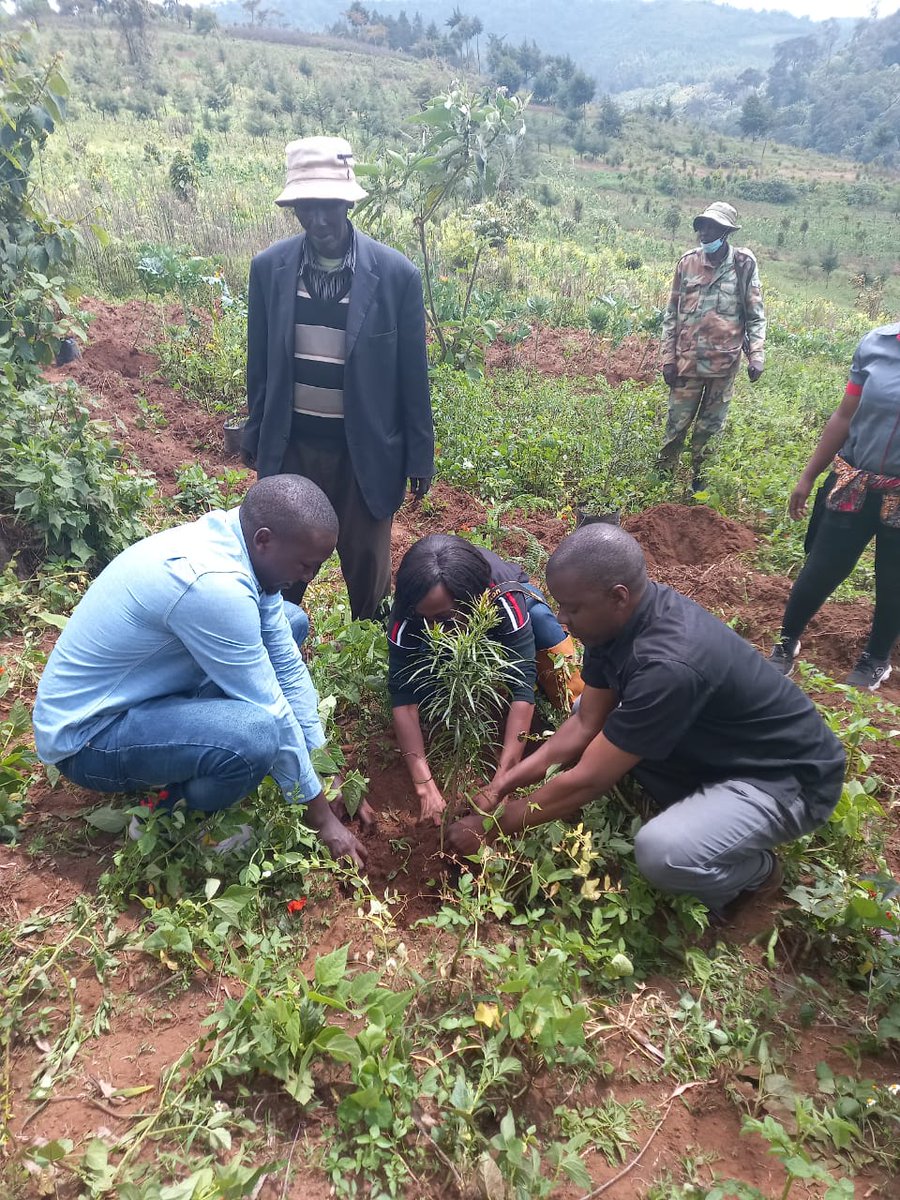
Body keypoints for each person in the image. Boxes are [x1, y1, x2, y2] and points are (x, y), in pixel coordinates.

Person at [446, 524, 845, 919]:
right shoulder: (614, 624)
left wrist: (492, 825)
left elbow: (590, 778)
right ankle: (694, 803)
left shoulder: (668, 664)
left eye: (572, 607)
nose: (563, 619)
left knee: (664, 852)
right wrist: (503, 785)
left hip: (785, 779)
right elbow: (585, 723)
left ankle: (754, 875)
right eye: (560, 605)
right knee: (583, 706)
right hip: (716, 747)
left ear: (618, 596)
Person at [32, 475, 368, 867]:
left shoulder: (238, 540)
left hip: (140, 693)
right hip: (89, 738)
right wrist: (321, 816)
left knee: (290, 621)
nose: (308, 577)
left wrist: (321, 767)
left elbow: (286, 665)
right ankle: (168, 813)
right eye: (305, 565)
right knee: (256, 735)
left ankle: (184, 757)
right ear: (264, 539)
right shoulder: (213, 585)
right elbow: (271, 707)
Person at [242, 135, 434, 622]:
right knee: (280, 567)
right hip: (292, 447)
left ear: (348, 203)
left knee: (368, 568)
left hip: (365, 452)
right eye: (307, 207)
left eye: (328, 206)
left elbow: (413, 378)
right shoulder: (270, 269)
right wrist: (255, 435)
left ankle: (372, 656)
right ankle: (277, 646)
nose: (319, 220)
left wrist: (419, 454)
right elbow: (260, 366)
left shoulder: (396, 276)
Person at [387, 535, 584, 825]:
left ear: (473, 601)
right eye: (424, 619)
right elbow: (403, 698)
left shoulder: (501, 595)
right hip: (460, 631)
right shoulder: (407, 613)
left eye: (442, 619)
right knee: (428, 692)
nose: (430, 630)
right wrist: (424, 785)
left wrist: (503, 780)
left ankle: (580, 711)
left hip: (501, 616)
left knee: (545, 630)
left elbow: (521, 682)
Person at [769, 320, 900, 691]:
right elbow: (845, 416)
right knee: (821, 568)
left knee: (894, 581)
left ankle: (876, 658)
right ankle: (786, 643)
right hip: (855, 483)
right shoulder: (877, 344)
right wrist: (808, 476)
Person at [658, 201, 767, 492]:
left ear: (726, 232)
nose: (705, 233)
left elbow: (755, 315)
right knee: (676, 425)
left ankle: (699, 487)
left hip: (723, 366)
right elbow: (672, 315)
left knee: (709, 431)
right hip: (686, 363)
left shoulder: (743, 265)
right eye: (702, 226)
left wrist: (756, 355)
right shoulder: (687, 263)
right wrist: (668, 358)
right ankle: (660, 483)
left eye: (713, 228)